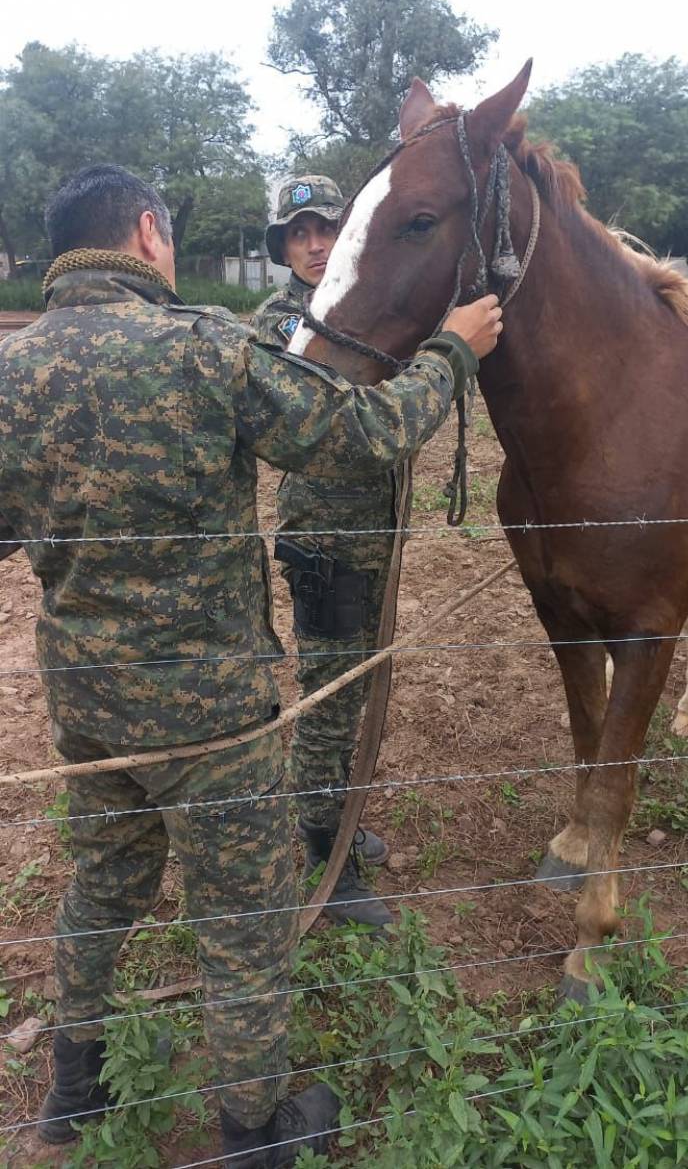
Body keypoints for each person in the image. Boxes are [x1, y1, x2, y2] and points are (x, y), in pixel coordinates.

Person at [0, 165, 502, 1167]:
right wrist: (453, 352)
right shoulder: (205, 350)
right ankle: (254, 1131)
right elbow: (363, 432)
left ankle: (71, 1091)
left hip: (88, 706)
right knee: (245, 916)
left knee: (104, 881)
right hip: (209, 717)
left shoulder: (13, 372)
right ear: (149, 233)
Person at [253, 176, 398, 931]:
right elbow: (333, 422)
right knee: (330, 700)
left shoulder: (367, 315)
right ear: (280, 246)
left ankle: (334, 822)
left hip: (376, 540)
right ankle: (322, 858)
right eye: (298, 232)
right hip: (326, 545)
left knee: (359, 684)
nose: (314, 244)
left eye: (324, 229)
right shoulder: (283, 324)